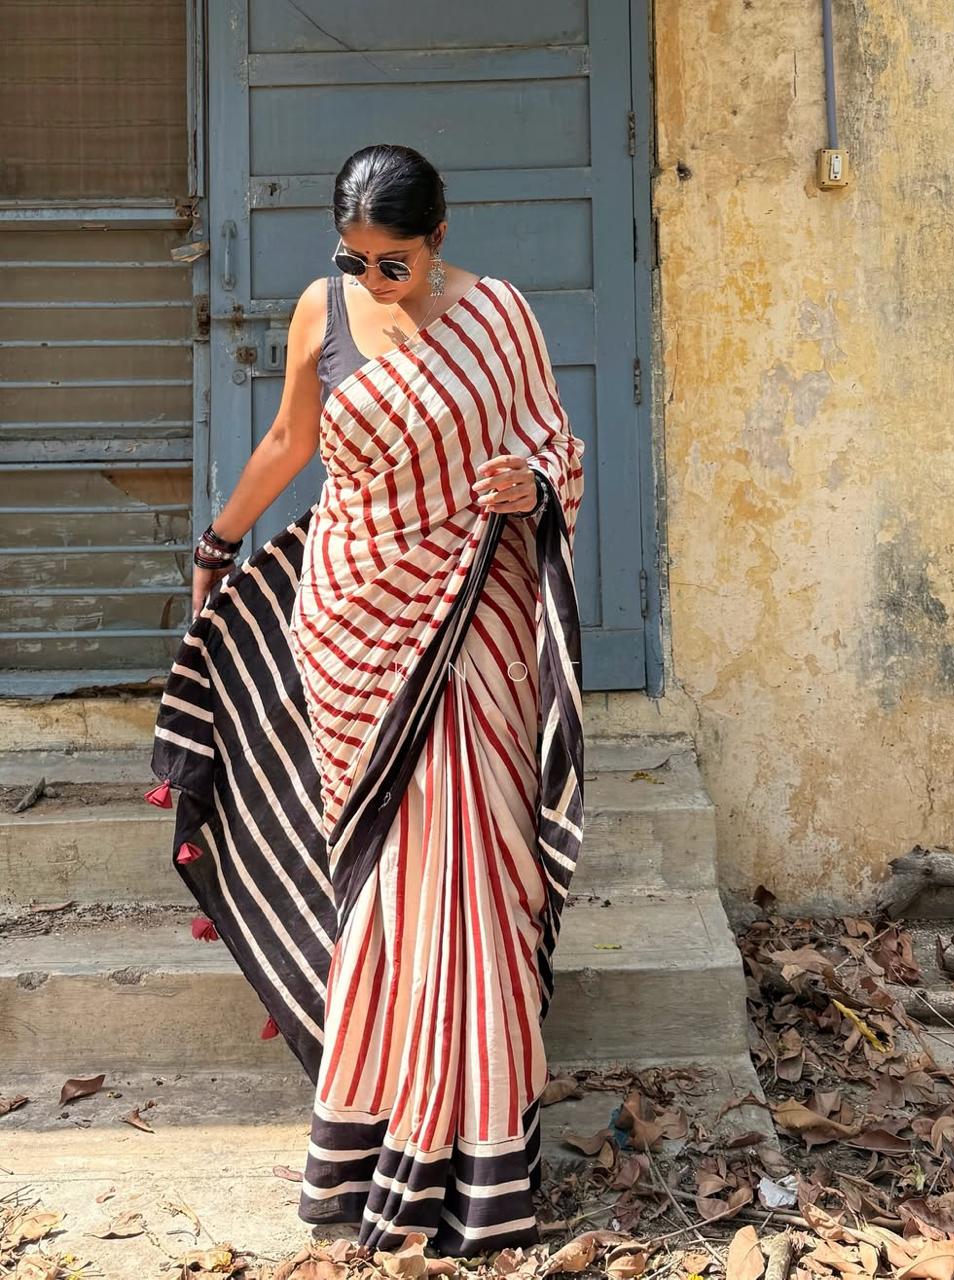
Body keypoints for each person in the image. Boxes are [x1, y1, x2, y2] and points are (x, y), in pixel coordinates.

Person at [147, 143, 586, 1256]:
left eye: (393, 262)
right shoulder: (321, 310)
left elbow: (553, 444)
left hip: (472, 621)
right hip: (353, 622)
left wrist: (529, 486)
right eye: (356, 258)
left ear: (439, 240)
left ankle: (475, 1144)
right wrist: (219, 540)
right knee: (391, 884)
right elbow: (295, 440)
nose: (374, 280)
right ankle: (384, 1119)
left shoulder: (500, 316)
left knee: (474, 877)